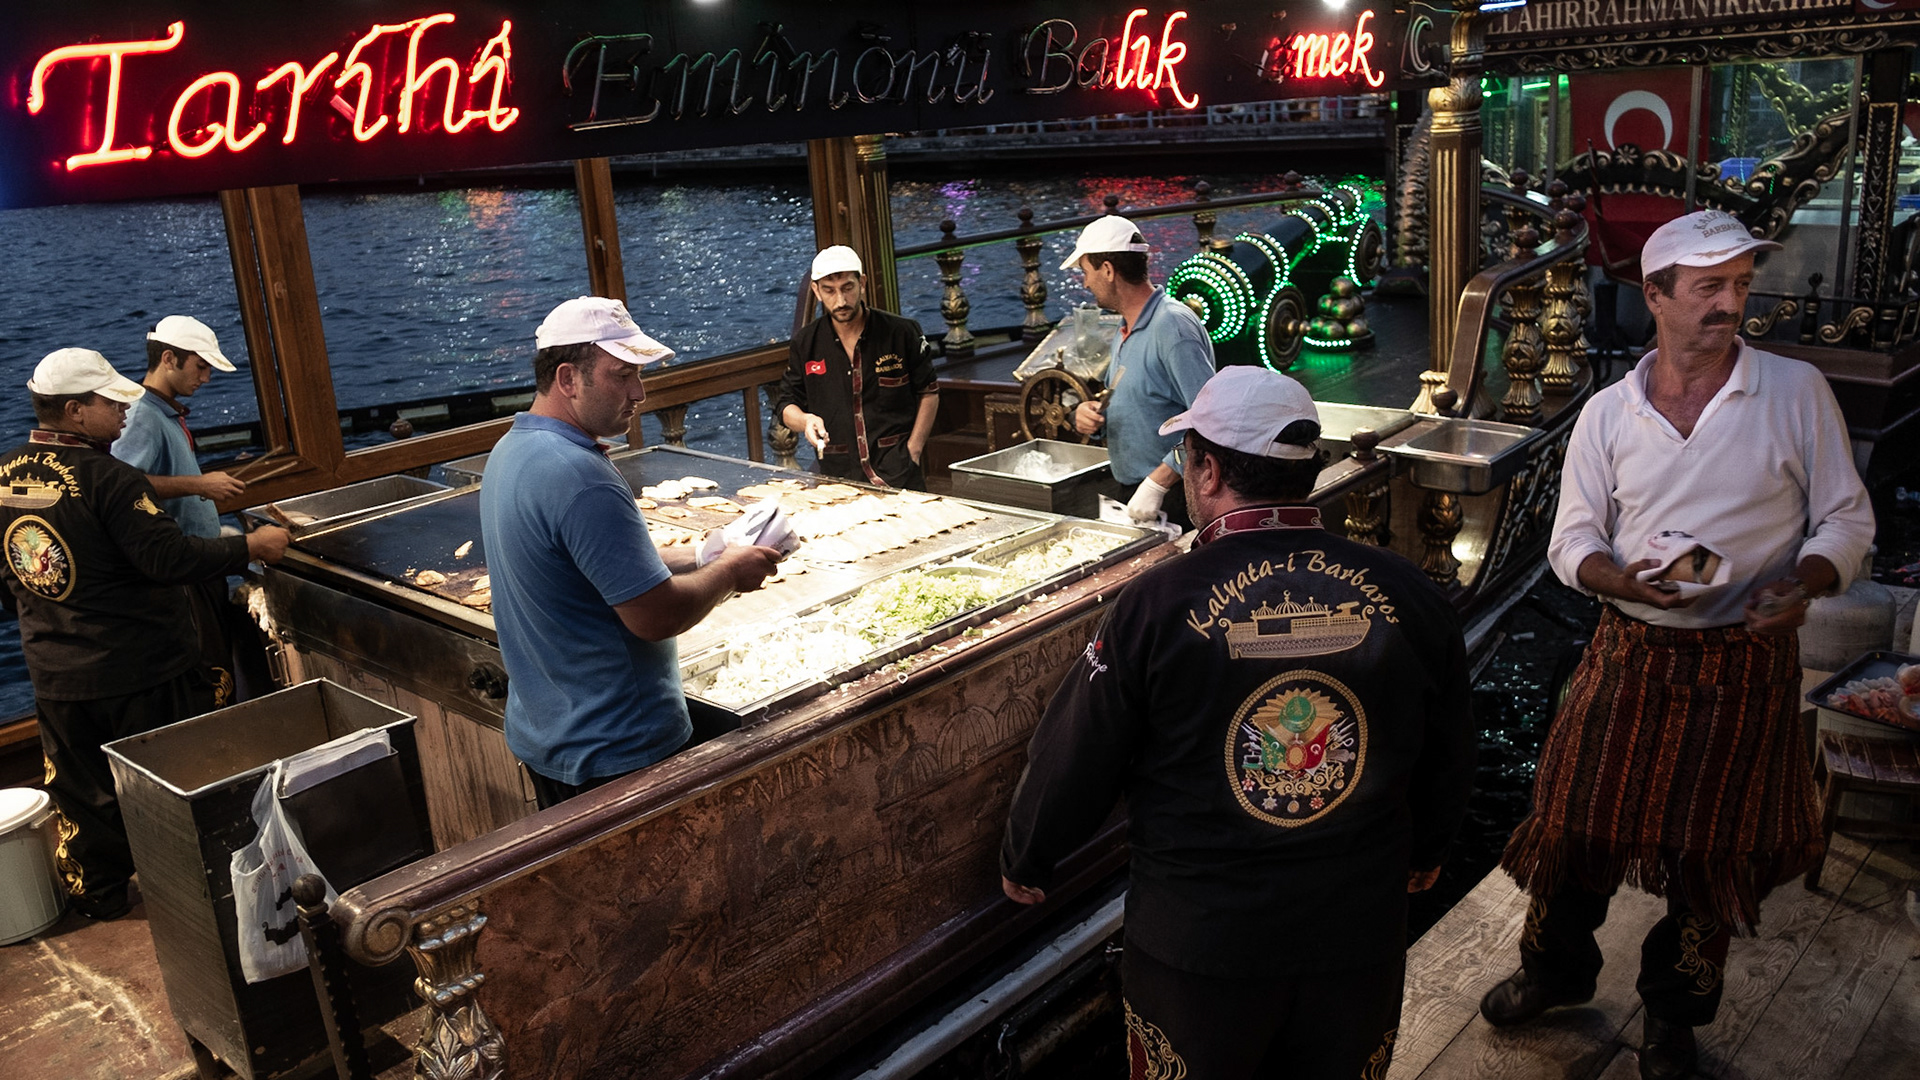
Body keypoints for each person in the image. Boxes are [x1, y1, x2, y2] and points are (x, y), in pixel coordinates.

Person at [1485, 210, 1875, 1080]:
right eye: (1708, 287)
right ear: (1654, 296)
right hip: (1632, 649)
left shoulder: (1794, 391)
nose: (1730, 302)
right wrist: (1617, 581)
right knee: (1573, 821)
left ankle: (1673, 1017)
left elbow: (1847, 517)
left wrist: (1806, 582)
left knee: (1713, 852)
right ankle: (1554, 972)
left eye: (1739, 283)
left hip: (1746, 655)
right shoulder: (1607, 414)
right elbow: (1571, 536)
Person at [1000, 366, 1475, 1078]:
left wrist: (1030, 856)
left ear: (1208, 468)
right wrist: (1428, 849)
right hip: (1356, 932)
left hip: (1200, 944)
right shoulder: (1407, 590)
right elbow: (1450, 745)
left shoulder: (1154, 604)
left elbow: (1079, 750)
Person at [1, 348, 290, 919]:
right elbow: (167, 558)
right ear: (76, 411)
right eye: (111, 404)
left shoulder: (5, 473)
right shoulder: (111, 478)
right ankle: (194, 893)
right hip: (139, 669)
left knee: (81, 796)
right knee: (170, 786)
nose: (122, 413)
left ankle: (99, 899)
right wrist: (248, 547)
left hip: (56, 673)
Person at [480, 297, 781, 810]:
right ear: (568, 378)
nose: (639, 393)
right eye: (622, 375)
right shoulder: (581, 476)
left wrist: (703, 552)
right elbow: (655, 615)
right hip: (619, 750)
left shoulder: (515, 450)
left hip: (552, 735)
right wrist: (731, 570)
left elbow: (590, 567)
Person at [111, 315, 253, 702]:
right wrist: (199, 484)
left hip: (200, 566)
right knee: (208, 684)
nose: (205, 378)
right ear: (169, 358)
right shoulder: (141, 415)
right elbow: (122, 489)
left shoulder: (164, 412)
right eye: (201, 366)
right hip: (182, 575)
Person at [1063, 215, 1216, 528]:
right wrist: (1092, 417)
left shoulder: (1171, 325)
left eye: (1086, 272)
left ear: (1107, 270)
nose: (1086, 283)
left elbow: (1212, 420)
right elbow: (1138, 399)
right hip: (1139, 494)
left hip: (1175, 497)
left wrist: (1158, 483)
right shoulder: (1125, 328)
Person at [773, 245, 939, 490]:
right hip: (838, 477)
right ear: (816, 291)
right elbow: (785, 404)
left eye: (847, 288)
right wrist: (806, 420)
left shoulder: (902, 332)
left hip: (899, 471)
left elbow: (929, 391)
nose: (840, 301)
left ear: (862, 283)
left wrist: (914, 449)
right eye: (829, 291)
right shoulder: (806, 342)